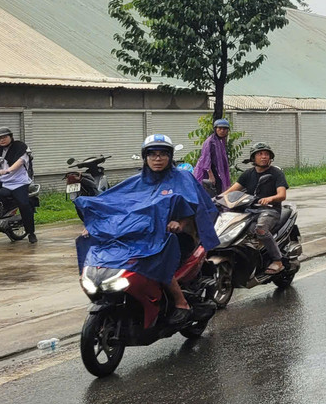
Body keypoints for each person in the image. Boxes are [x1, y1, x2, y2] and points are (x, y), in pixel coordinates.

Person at [75, 135, 219, 320]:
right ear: (145, 157)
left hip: (174, 235)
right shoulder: (136, 181)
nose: (157, 159)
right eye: (152, 155)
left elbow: (196, 207)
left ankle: (180, 301)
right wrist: (94, 225)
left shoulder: (182, 178)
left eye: (162, 154)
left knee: (157, 260)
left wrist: (180, 223)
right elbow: (112, 204)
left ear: (170, 157)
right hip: (142, 234)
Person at [225, 143, 288, 274]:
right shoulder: (248, 174)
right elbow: (231, 191)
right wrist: (215, 199)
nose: (264, 157)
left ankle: (277, 260)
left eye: (266, 154)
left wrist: (270, 199)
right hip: (250, 210)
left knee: (261, 229)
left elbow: (282, 195)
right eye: (260, 154)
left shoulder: (276, 173)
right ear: (253, 157)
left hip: (270, 210)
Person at [194, 118, 232, 196]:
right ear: (215, 129)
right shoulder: (210, 141)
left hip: (217, 170)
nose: (222, 131)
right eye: (220, 128)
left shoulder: (221, 141)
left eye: (225, 129)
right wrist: (211, 176)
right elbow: (205, 159)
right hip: (207, 171)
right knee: (209, 193)